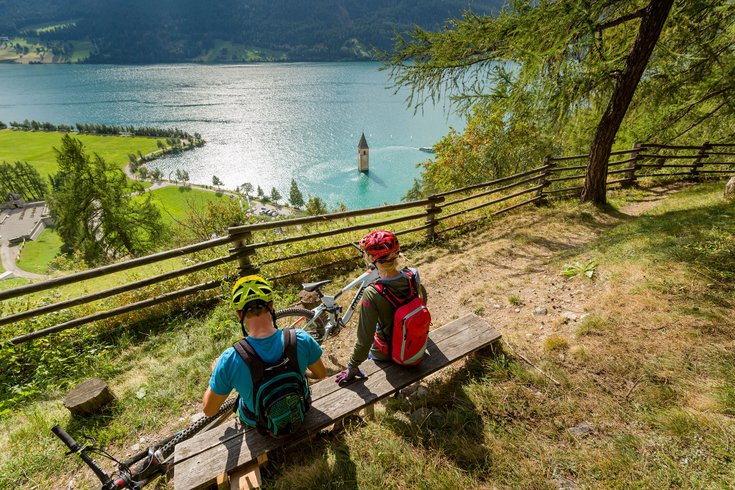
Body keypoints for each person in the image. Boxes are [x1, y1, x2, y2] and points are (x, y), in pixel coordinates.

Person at [203, 275, 326, 432]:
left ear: (239, 314)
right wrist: (302, 370)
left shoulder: (230, 359)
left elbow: (209, 410)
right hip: (299, 412)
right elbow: (321, 374)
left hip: (261, 427)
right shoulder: (300, 338)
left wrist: (216, 372)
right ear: (271, 305)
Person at [336, 230, 428, 385]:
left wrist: (352, 366)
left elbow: (364, 340)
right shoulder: (413, 275)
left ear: (372, 258)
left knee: (373, 348)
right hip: (412, 343)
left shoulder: (372, 293)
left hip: (386, 353)